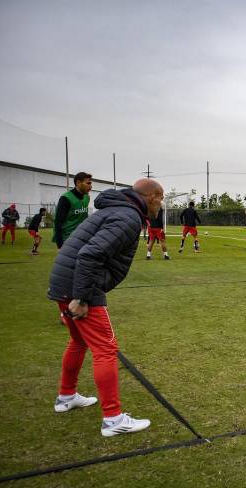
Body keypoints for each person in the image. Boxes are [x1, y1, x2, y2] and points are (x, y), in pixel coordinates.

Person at [48, 178, 163, 437]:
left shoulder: (118, 210)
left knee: (78, 342)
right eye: (161, 198)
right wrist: (81, 297)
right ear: (153, 197)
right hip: (80, 285)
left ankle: (66, 396)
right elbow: (90, 254)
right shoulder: (128, 217)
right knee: (106, 349)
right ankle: (113, 419)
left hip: (65, 280)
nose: (161, 204)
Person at [53, 172, 93, 249]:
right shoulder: (65, 198)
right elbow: (58, 222)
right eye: (88, 183)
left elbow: (84, 218)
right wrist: (60, 245)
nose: (91, 187)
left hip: (81, 238)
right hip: (67, 239)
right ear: (78, 182)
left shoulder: (87, 197)